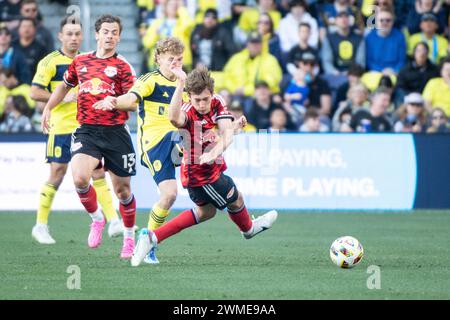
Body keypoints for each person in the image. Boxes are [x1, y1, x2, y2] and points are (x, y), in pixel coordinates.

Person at [131, 66, 278, 267]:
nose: (201, 104)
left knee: (206, 212)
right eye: (196, 99)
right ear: (188, 97)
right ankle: (249, 230)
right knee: (236, 199)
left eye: (205, 99)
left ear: (212, 94)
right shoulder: (186, 111)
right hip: (201, 174)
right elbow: (174, 119)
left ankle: (152, 237)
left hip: (209, 166)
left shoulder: (217, 102)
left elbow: (225, 133)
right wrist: (181, 83)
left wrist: (227, 135)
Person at [41, 15, 138, 259]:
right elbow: (63, 86)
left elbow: (135, 101)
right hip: (87, 130)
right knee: (80, 179)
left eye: (114, 32)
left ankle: (129, 237)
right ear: (96, 35)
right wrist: (48, 108)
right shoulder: (81, 61)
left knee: (123, 192)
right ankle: (97, 219)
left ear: (119, 36)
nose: (109, 36)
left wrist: (114, 101)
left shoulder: (124, 67)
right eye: (105, 31)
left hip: (116, 132)